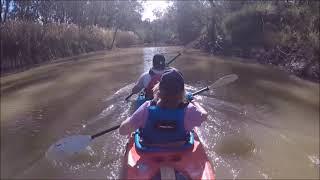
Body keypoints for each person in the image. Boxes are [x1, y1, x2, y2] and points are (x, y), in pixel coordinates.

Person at [119, 69, 208, 146]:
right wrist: (193, 101)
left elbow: (122, 131)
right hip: (179, 150)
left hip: (149, 151)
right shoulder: (189, 109)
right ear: (182, 92)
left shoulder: (146, 107)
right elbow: (204, 115)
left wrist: (131, 119)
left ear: (158, 90)